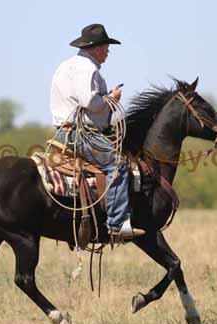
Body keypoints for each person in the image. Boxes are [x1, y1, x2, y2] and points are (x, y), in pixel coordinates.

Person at [50, 23, 145, 239]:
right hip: (79, 134)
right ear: (97, 47)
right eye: (107, 47)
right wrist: (112, 98)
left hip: (66, 129)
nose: (108, 52)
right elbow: (90, 101)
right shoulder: (88, 68)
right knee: (118, 164)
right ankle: (117, 223)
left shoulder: (66, 66)